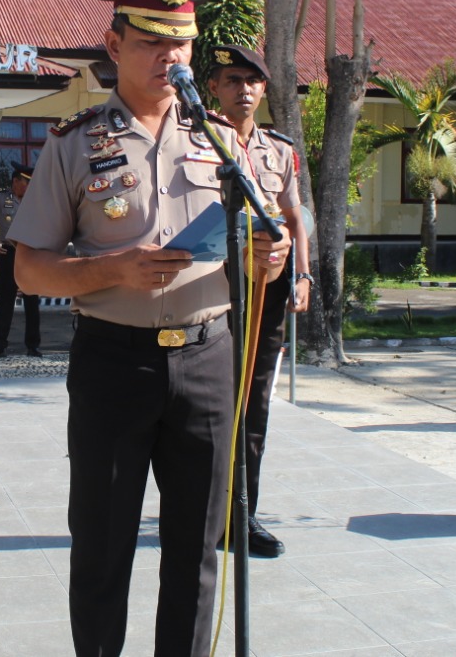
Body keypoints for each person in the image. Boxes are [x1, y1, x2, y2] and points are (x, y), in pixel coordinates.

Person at [9, 0, 291, 656]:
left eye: (183, 44)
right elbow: (28, 266)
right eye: (152, 43)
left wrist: (266, 257)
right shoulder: (76, 144)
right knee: (103, 548)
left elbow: (254, 239)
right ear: (114, 44)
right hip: (115, 362)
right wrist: (114, 267)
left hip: (207, 358)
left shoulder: (222, 144)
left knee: (196, 550)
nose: (172, 58)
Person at [205, 44, 313, 557]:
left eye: (252, 81)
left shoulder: (279, 150)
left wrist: (304, 275)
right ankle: (203, 512)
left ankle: (242, 515)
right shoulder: (199, 141)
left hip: (267, 290)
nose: (243, 90)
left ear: (264, 90)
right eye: (232, 80)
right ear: (215, 89)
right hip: (214, 290)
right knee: (210, 403)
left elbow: (294, 218)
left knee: (255, 403)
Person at [0, 160, 41, 358]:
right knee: (5, 301)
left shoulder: (36, 201)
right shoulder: (1, 199)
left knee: (32, 301)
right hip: (8, 253)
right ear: (16, 182)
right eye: (26, 183)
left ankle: (33, 346)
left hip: (31, 255)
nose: (29, 187)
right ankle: (0, 345)